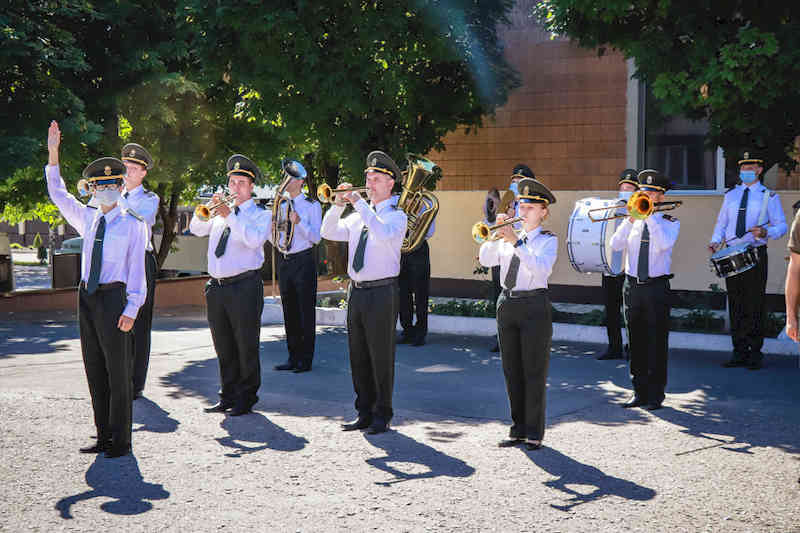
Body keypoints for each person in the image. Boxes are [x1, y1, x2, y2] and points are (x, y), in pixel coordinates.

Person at [45, 121, 148, 458]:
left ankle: (121, 440)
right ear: (91, 189)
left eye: (111, 184)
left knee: (118, 372)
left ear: (120, 186)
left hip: (114, 298)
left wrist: (132, 309)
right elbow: (59, 194)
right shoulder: (87, 217)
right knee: (94, 368)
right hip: (88, 297)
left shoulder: (133, 223)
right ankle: (103, 435)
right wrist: (53, 154)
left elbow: (137, 272)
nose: (105, 190)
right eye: (99, 185)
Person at [321, 150, 408, 435]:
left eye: (377, 178)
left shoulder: (397, 216)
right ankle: (364, 411)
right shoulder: (360, 215)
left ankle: (383, 414)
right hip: (357, 291)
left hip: (383, 292)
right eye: (368, 177)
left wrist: (358, 203)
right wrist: (336, 205)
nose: (369, 182)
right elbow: (328, 231)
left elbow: (382, 232)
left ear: (390, 184)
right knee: (357, 355)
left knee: (380, 355)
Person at [479, 176, 557, 451]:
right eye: (520, 207)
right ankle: (518, 428)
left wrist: (516, 243)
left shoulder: (547, 241)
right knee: (511, 370)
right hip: (507, 303)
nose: (522, 212)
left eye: (530, 208)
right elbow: (485, 260)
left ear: (543, 212)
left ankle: (534, 432)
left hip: (534, 304)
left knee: (533, 371)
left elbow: (540, 270)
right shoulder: (508, 234)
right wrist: (495, 232)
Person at [190, 154, 269, 416]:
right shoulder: (220, 214)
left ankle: (247, 397)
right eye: (232, 182)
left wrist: (232, 215)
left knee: (245, 343)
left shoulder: (260, 215)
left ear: (251, 187)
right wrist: (207, 210)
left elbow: (253, 240)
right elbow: (195, 229)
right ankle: (228, 393)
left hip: (244, 286)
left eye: (241, 183)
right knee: (222, 343)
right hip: (217, 287)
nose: (235, 188)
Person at [710, 152, 787, 370]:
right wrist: (715, 241)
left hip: (755, 254)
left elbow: (781, 226)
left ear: (760, 170)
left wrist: (765, 232)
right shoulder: (731, 195)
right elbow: (721, 223)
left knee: (754, 303)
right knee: (736, 302)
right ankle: (739, 351)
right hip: (732, 253)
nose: (746, 171)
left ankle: (755, 353)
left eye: (751, 167)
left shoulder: (768, 196)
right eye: (743, 168)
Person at [610, 170, 680, 411]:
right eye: (643, 192)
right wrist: (630, 219)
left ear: (660, 197)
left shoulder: (670, 222)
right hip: (632, 286)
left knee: (656, 341)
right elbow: (615, 245)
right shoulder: (634, 221)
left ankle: (655, 394)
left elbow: (663, 245)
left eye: (651, 192)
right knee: (635, 340)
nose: (646, 196)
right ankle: (638, 391)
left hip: (656, 287)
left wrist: (649, 217)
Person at [271, 160, 323, 373]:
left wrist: (299, 222)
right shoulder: (281, 205)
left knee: (305, 311)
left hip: (304, 261)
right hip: (285, 260)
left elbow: (317, 237)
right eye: (286, 177)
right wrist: (273, 231)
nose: (287, 181)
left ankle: (305, 360)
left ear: (301, 181)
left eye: (292, 178)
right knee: (289, 311)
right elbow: (275, 238)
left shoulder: (312, 205)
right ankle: (293, 357)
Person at [119, 143, 159, 398]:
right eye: (126, 167)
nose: (128, 172)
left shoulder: (149, 199)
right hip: (118, 262)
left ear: (143, 173)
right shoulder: (112, 195)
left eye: (133, 169)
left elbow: (138, 220)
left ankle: (136, 383)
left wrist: (114, 201)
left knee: (140, 323)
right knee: (118, 318)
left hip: (141, 260)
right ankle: (119, 378)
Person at [598, 169, 638, 360]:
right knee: (611, 311)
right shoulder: (610, 208)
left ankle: (632, 347)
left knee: (630, 312)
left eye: (629, 188)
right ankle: (614, 347)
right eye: (622, 187)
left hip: (629, 269)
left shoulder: (640, 211)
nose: (625, 191)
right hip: (609, 267)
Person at [396, 193, 435, 347]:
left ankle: (420, 332)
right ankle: (407, 330)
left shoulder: (426, 204)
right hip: (402, 247)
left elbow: (430, 231)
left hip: (419, 248)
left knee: (420, 293)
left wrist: (417, 221)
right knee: (402, 292)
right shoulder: (398, 201)